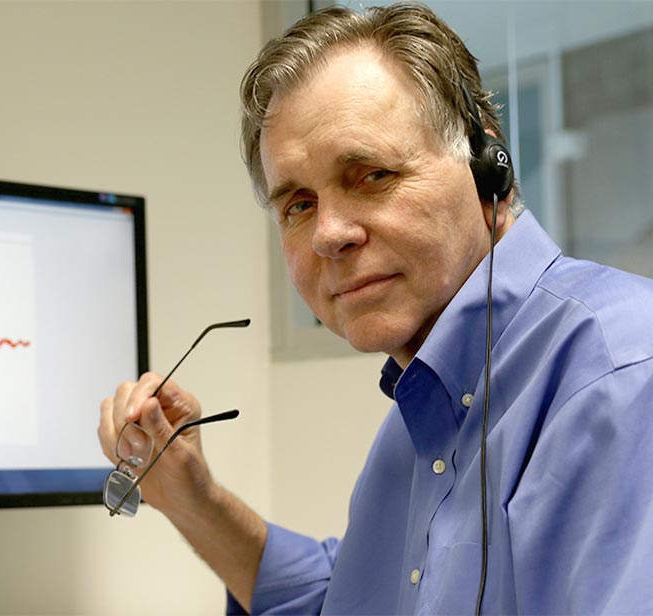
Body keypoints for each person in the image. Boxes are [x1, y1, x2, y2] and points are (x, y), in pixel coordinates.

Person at [98, 3, 653, 614]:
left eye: (371, 175)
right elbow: (340, 598)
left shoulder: (620, 376)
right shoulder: (423, 410)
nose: (328, 234)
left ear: (485, 168)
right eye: (299, 204)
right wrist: (189, 496)